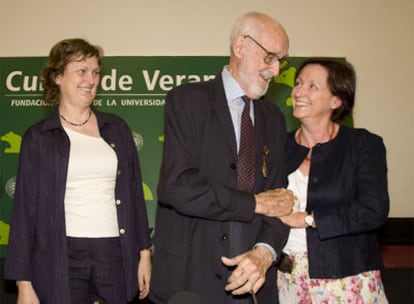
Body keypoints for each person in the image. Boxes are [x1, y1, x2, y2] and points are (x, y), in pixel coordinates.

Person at [150, 12, 295, 304]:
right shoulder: (187, 100)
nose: (275, 70)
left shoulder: (274, 118)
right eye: (269, 57)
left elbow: (280, 201)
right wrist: (254, 203)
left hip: (255, 283)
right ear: (240, 47)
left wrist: (264, 253)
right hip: (191, 280)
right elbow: (178, 187)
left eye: (281, 60)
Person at [4, 38, 152, 304]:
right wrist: (24, 283)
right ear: (58, 76)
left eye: (95, 72)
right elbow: (25, 212)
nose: (91, 79)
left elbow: (134, 195)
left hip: (115, 252)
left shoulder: (117, 128)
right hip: (61, 254)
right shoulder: (38, 137)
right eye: (81, 70)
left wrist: (144, 254)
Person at [277, 58, 389, 303]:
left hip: (348, 279)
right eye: (298, 83)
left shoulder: (362, 145)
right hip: (287, 280)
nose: (298, 91)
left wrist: (308, 219)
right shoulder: (277, 147)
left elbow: (373, 210)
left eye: (312, 86)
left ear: (336, 100)